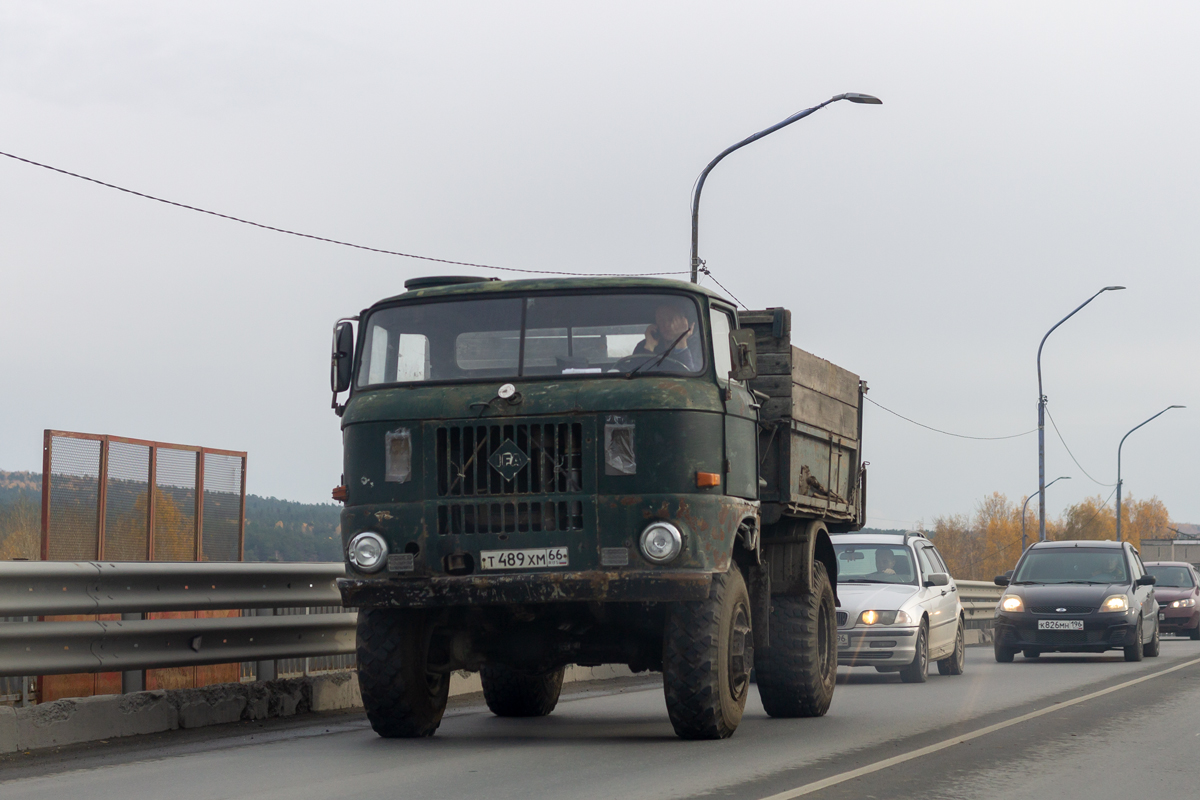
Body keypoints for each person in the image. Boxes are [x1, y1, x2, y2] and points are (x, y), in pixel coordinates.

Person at [632, 304, 698, 371]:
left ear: (683, 322)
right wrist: (649, 347)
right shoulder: (643, 346)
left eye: (671, 319)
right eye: (661, 320)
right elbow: (636, 376)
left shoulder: (697, 345)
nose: (666, 325)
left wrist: (681, 341)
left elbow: (691, 376)